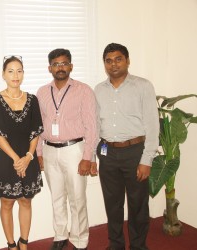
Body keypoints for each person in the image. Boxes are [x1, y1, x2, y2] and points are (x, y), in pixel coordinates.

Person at [95, 43, 159, 250]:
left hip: (135, 152)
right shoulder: (99, 90)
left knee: (138, 205)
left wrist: (146, 159)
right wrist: (98, 151)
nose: (113, 64)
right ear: (104, 64)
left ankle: (139, 246)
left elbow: (152, 125)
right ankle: (116, 245)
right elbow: (97, 123)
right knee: (112, 205)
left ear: (127, 60)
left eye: (118, 59)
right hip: (108, 153)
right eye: (108, 60)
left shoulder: (143, 86)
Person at [36, 48, 99, 250]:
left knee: (77, 198)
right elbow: (38, 126)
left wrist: (88, 156)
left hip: (75, 150)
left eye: (64, 63)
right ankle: (60, 235)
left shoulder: (84, 90)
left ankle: (80, 240)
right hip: (49, 150)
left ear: (71, 66)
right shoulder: (42, 92)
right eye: (56, 64)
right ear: (49, 68)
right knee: (57, 197)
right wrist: (38, 153)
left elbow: (92, 126)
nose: (60, 67)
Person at [0, 55, 44, 250]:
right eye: (10, 71)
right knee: (7, 203)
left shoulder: (32, 99)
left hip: (28, 158)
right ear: (3, 74)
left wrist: (28, 157)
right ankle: (11, 245)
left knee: (25, 201)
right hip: (6, 160)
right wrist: (16, 159)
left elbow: (36, 131)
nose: (15, 75)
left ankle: (24, 242)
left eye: (19, 70)